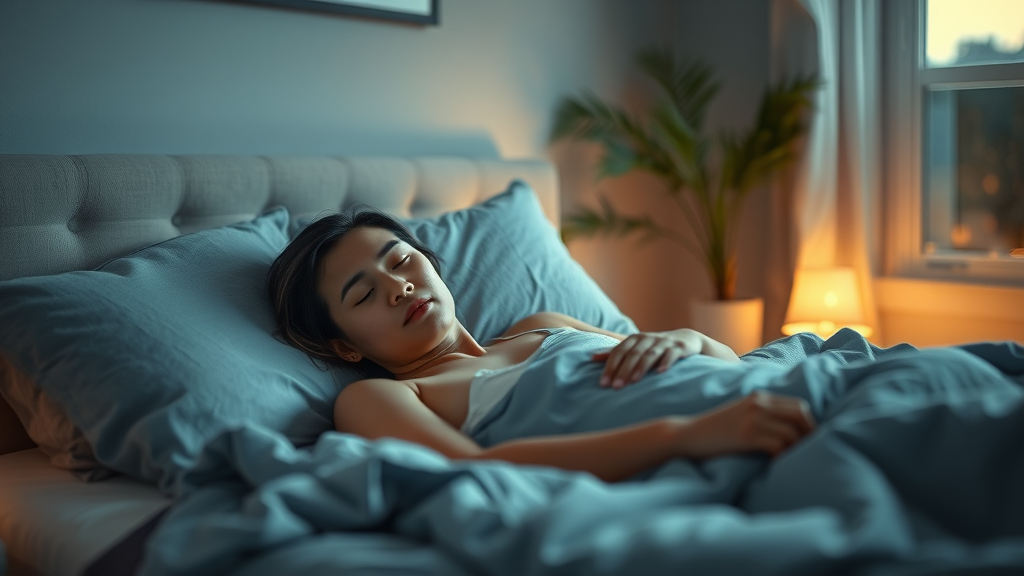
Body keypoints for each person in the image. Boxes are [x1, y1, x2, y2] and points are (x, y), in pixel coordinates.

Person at [267, 209, 816, 483]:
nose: (399, 287)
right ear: (344, 348)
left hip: (761, 393)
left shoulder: (542, 322)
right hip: (704, 443)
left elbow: (724, 364)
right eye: (364, 294)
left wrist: (688, 338)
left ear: (431, 266)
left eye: (402, 261)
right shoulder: (383, 399)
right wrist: (688, 435)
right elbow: (475, 468)